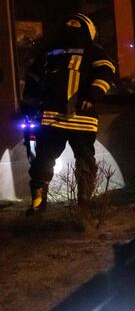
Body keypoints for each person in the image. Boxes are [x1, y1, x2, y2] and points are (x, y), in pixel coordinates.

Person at [20, 12, 116, 214]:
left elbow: (106, 73)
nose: (71, 25)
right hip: (53, 118)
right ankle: (38, 202)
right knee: (44, 158)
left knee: (83, 158)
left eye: (76, 23)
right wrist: (28, 107)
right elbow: (34, 81)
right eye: (69, 22)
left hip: (80, 116)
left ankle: (83, 201)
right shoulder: (49, 52)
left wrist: (92, 94)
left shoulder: (94, 51)